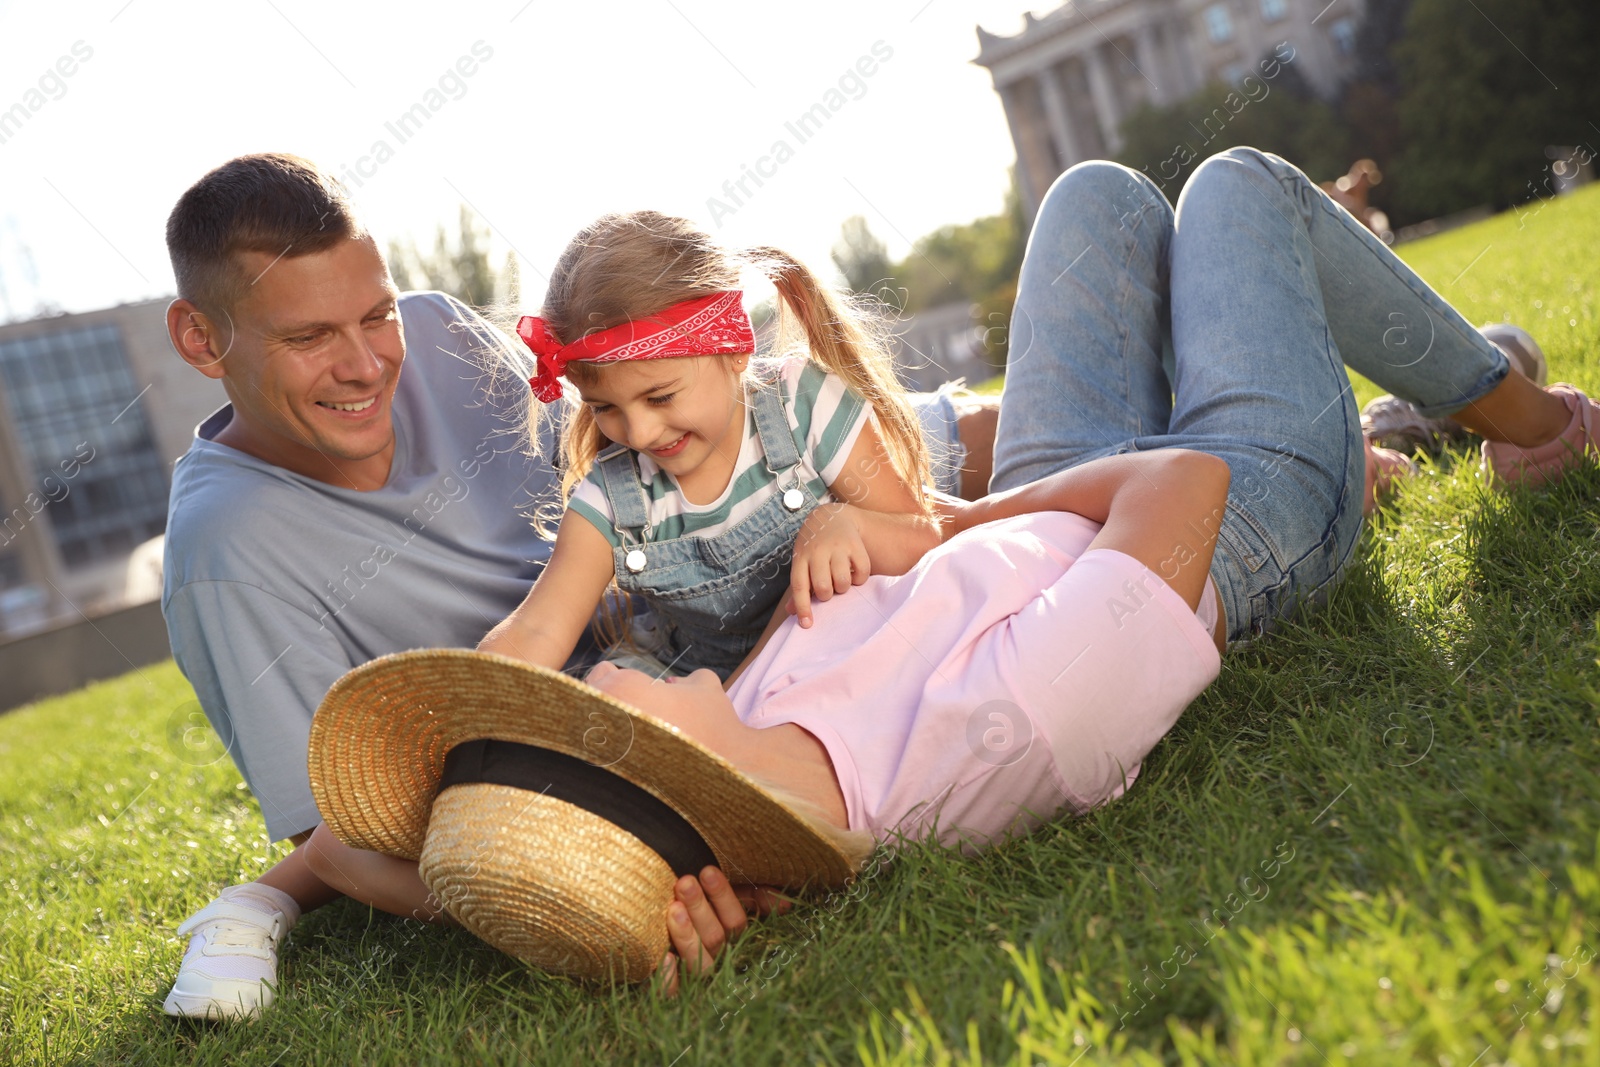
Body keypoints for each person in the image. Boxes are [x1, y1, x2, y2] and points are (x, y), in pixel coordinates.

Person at [155, 154, 993, 1019]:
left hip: (751, 484)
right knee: (1062, 458)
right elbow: (334, 841)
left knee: (1009, 432)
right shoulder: (225, 555)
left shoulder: (438, 333)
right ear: (200, 338)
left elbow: (636, 421)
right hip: (659, 673)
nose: (367, 365)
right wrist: (608, 888)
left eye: (377, 315)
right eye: (308, 337)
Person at [477, 212, 941, 680]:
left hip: (826, 666)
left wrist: (848, 523)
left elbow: (924, 541)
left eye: (659, 396)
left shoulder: (803, 406)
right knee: (611, 692)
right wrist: (460, 698)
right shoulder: (614, 496)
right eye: (604, 407)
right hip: (692, 691)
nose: (638, 434)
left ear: (734, 347)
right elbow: (537, 631)